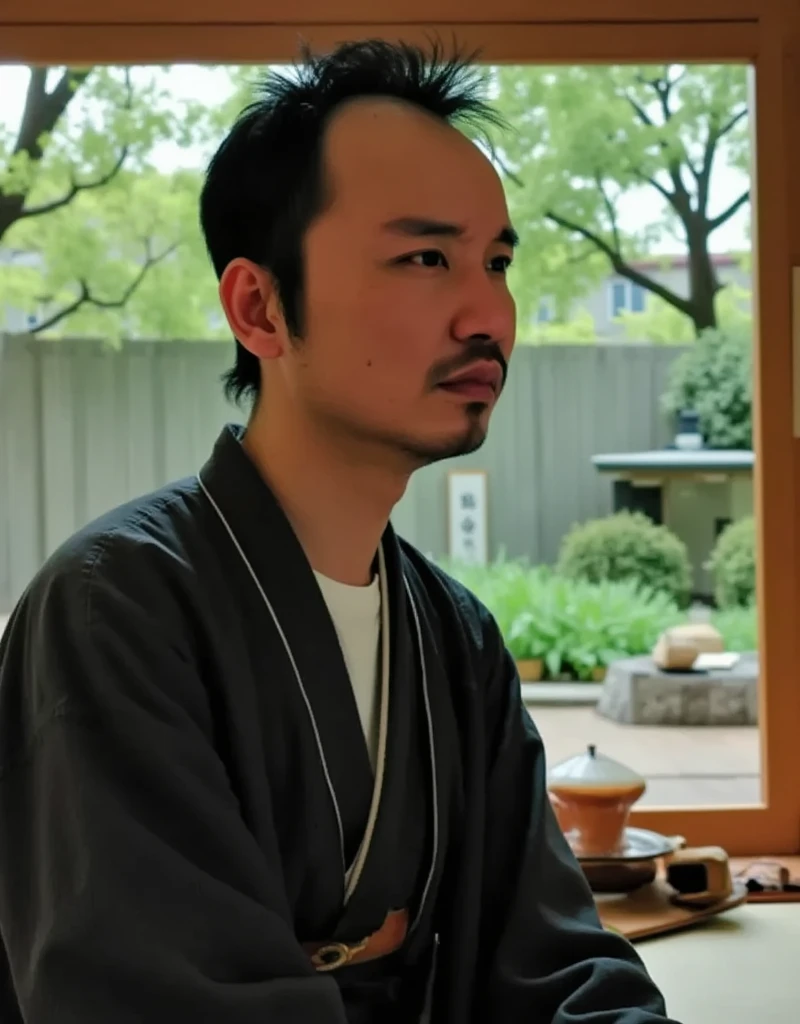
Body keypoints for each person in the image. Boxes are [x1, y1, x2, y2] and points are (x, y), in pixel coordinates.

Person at [0, 39, 680, 1024]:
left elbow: (557, 965)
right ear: (259, 307)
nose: (486, 312)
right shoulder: (115, 610)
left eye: (494, 262)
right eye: (425, 258)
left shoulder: (455, 640)